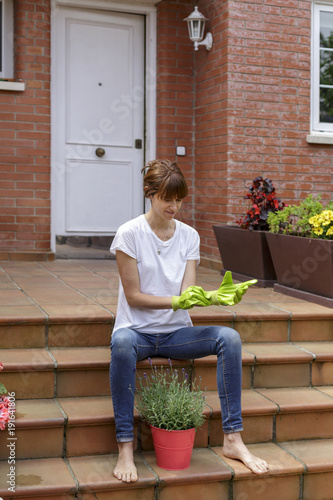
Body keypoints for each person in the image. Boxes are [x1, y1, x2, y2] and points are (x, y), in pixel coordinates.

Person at [109, 159, 269, 483]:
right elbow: (134, 296)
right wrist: (176, 301)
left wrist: (215, 297)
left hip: (176, 335)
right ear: (150, 194)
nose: (174, 206)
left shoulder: (189, 236)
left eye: (179, 199)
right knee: (122, 344)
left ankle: (233, 439)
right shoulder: (129, 234)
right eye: (167, 198)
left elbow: (187, 292)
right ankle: (125, 446)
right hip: (136, 332)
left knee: (230, 338)